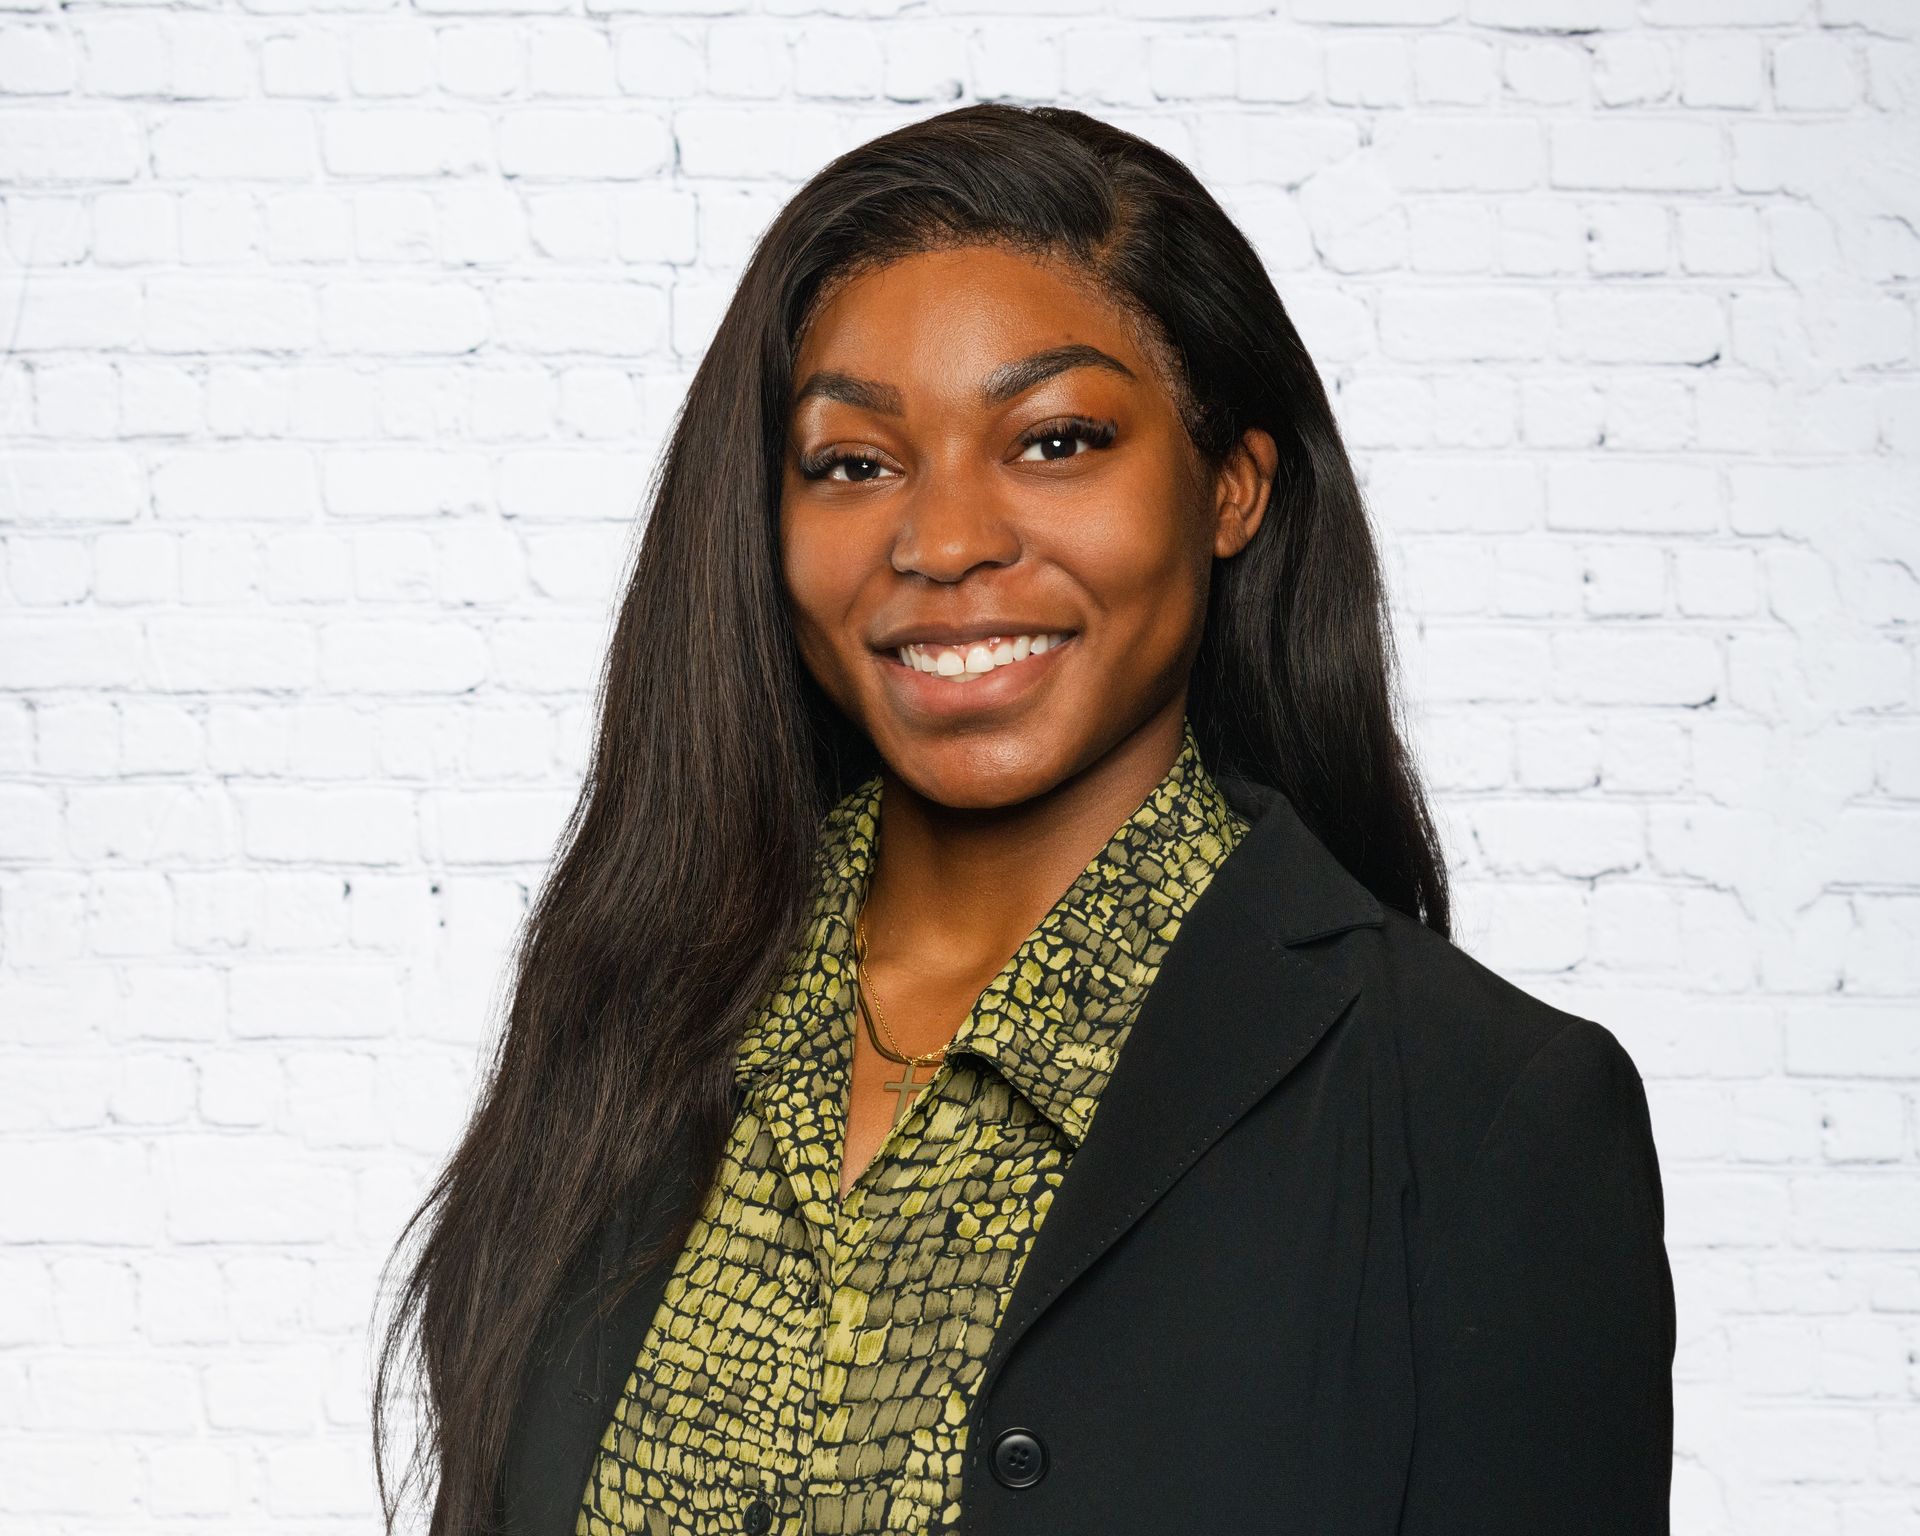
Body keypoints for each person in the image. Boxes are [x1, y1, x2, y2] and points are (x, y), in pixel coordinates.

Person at [373, 103, 1675, 1536]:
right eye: (855, 464)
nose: (943, 543)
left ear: (1231, 487)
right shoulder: (643, 1021)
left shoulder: (1484, 1115)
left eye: (1054, 441)